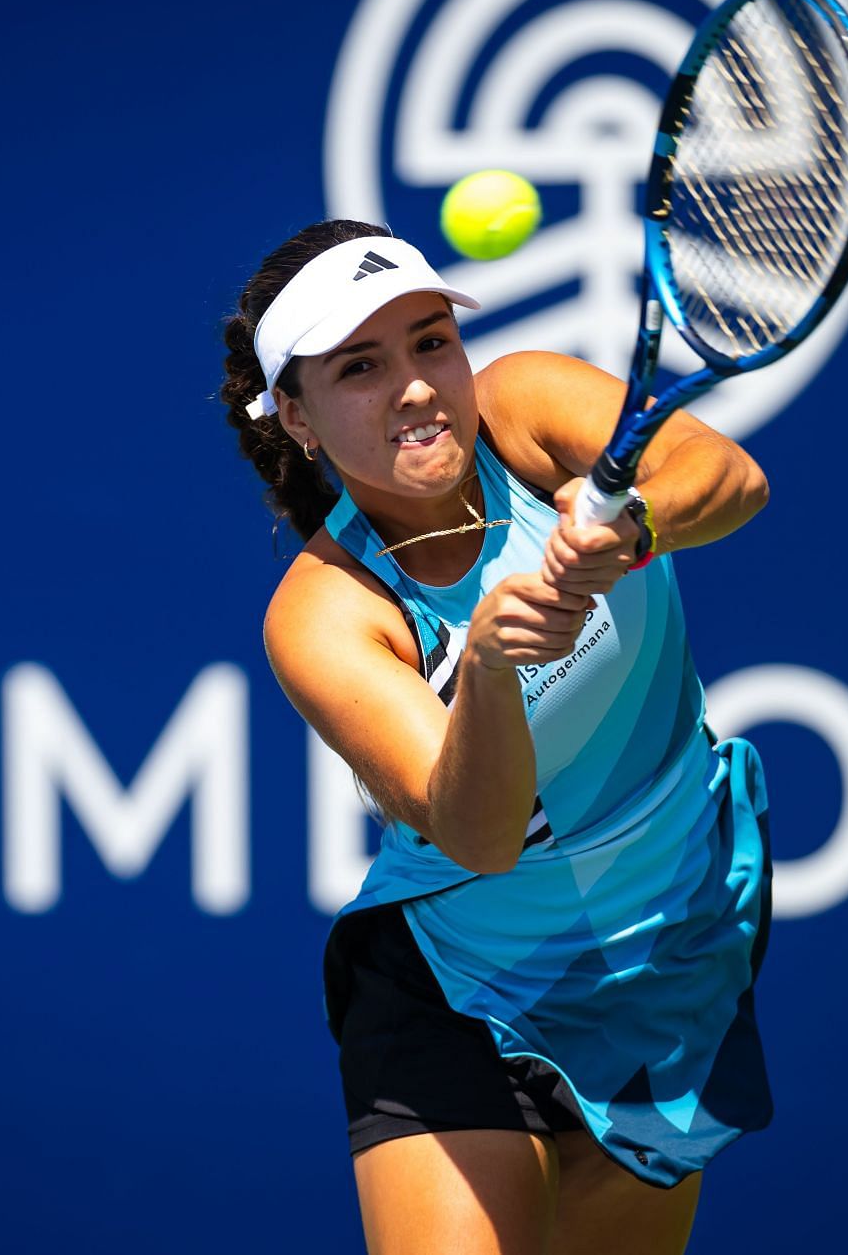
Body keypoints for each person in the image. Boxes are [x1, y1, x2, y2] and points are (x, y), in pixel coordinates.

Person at [219, 219, 773, 1255]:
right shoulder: (326, 614)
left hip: (661, 954)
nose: (418, 385)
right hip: (452, 986)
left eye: (433, 341)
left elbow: (729, 476)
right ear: (295, 414)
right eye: (361, 366)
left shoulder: (524, 406)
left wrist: (631, 530)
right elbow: (475, 833)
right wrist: (486, 668)